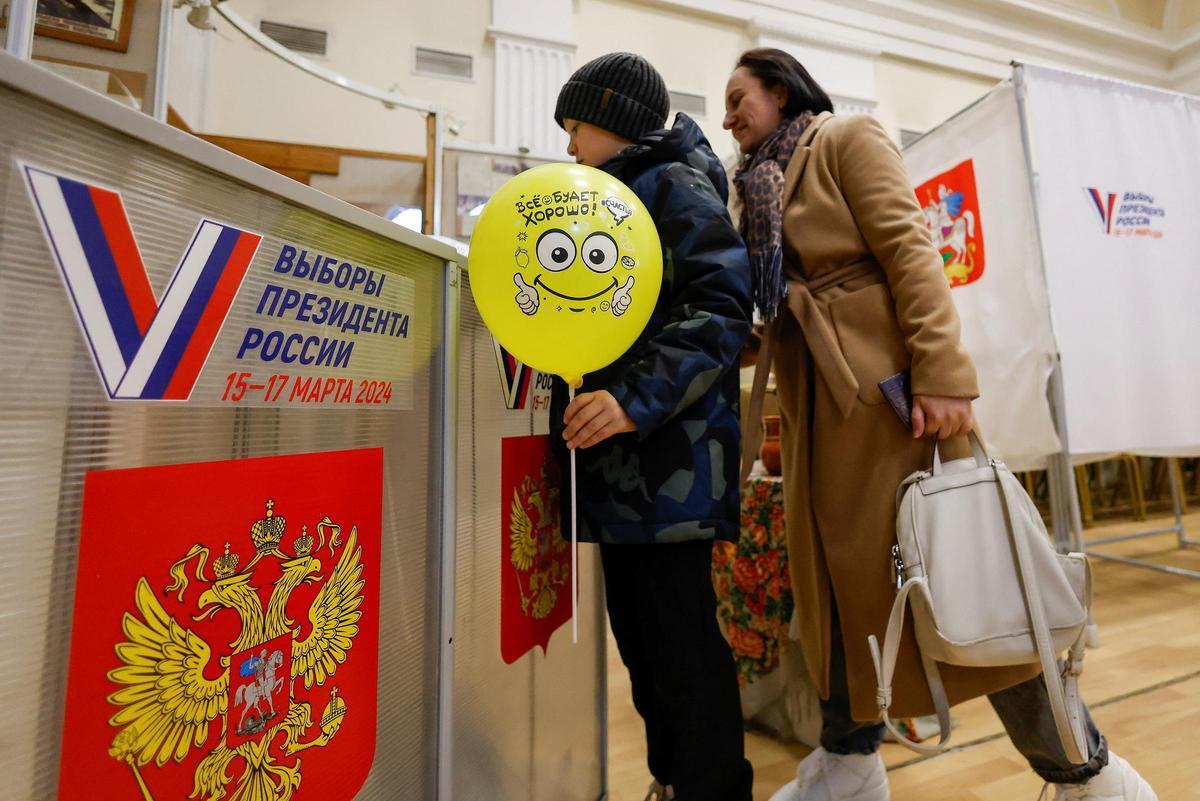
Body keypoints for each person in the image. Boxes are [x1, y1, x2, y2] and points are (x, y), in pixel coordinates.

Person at [724, 47, 1157, 801]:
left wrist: (944, 374)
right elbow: (779, 309)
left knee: (970, 591)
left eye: (738, 97)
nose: (728, 116)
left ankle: (1087, 774)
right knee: (835, 602)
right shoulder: (752, 190)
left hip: (896, 408)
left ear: (781, 89)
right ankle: (848, 764)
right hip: (818, 418)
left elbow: (913, 251)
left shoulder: (846, 140)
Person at [547, 52, 754, 801]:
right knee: (644, 646)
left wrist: (633, 399)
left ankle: (712, 788)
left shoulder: (670, 183)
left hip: (671, 464)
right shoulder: (620, 191)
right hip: (631, 470)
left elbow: (724, 307)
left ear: (613, 118)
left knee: (681, 651)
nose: (569, 145)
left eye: (576, 126)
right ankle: (674, 781)